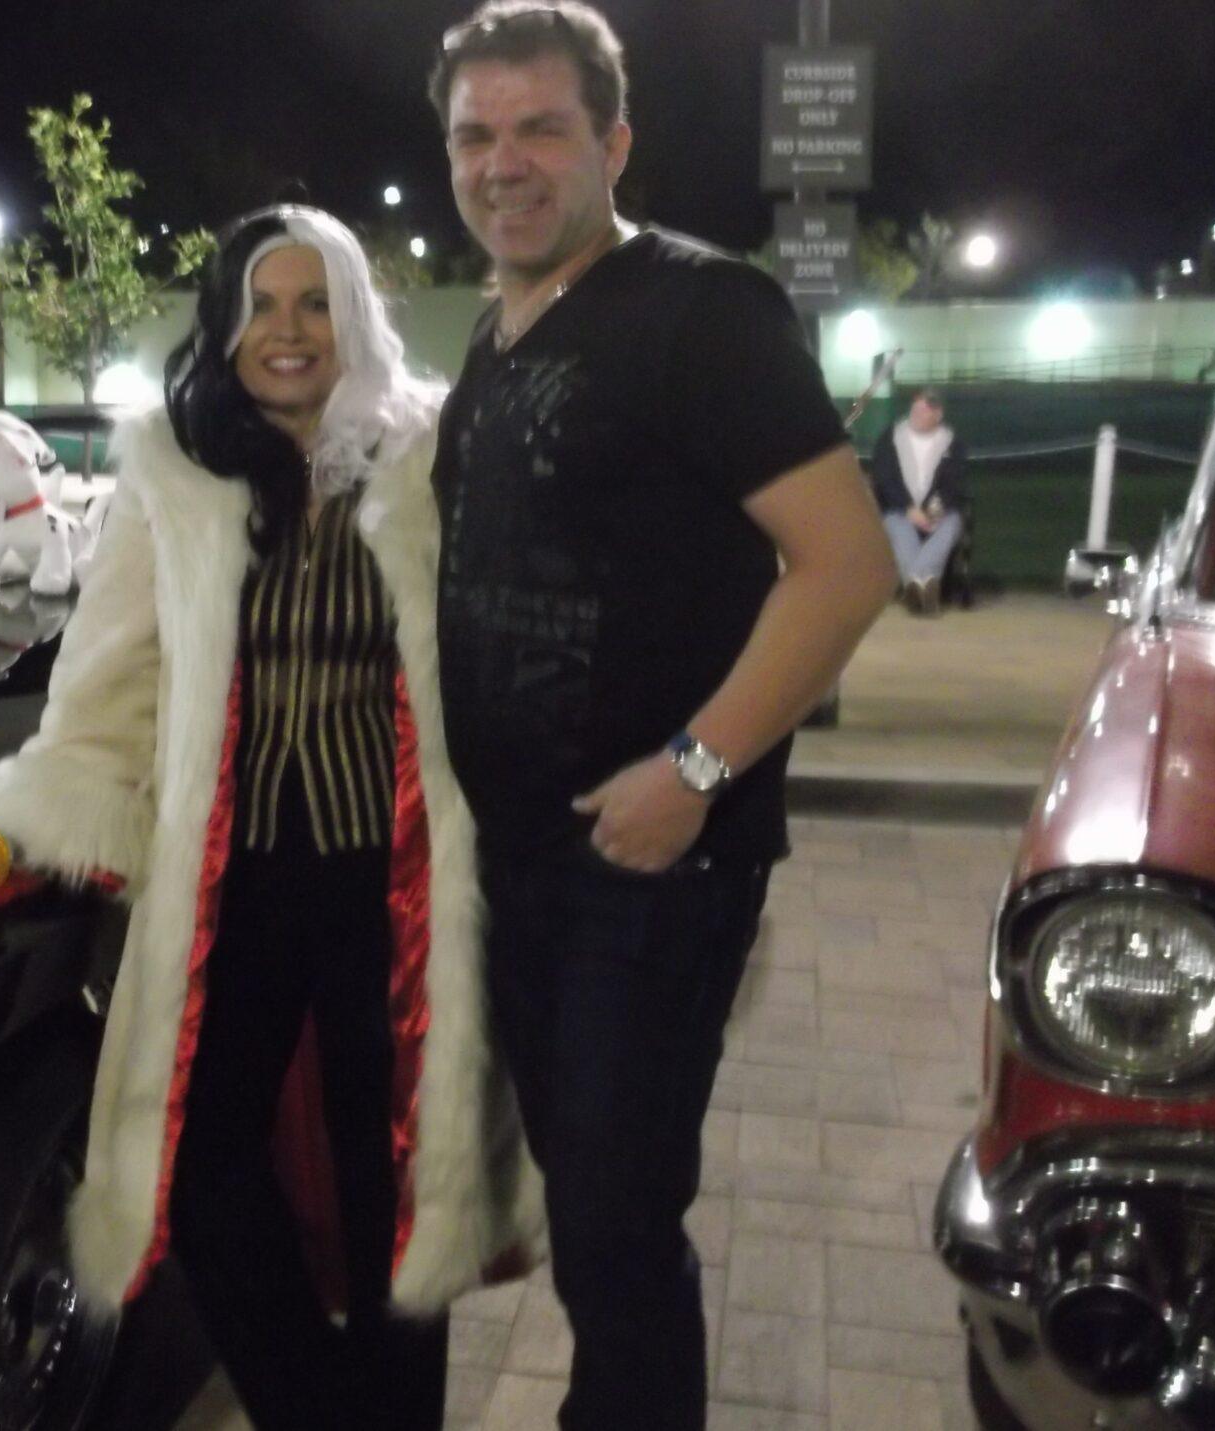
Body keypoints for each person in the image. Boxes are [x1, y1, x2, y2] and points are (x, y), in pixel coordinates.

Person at [0, 204, 544, 1431]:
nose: (288, 331)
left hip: (396, 879)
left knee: (396, 1175)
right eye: (260, 305)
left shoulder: (433, 456)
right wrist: (49, 807)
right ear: (224, 326)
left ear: (355, 315)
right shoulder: (174, 471)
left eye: (314, 302)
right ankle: (319, 1409)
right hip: (235, 881)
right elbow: (112, 670)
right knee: (202, 1167)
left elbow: (510, 640)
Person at [425, 5, 897, 1428]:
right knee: (590, 1213)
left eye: (540, 128)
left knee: (618, 1228)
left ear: (613, 142)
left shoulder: (702, 311)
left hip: (647, 866)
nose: (503, 163)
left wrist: (693, 770)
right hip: (523, 860)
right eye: (475, 135)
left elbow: (846, 566)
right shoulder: (498, 332)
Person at [872, 388, 970, 614]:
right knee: (900, 528)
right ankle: (927, 586)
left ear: (938, 415)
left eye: (925, 410)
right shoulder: (890, 438)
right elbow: (884, 480)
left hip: (939, 511)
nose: (917, 413)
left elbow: (954, 482)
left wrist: (934, 509)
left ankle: (914, 584)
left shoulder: (952, 443)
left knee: (951, 525)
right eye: (916, 408)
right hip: (899, 509)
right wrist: (909, 509)